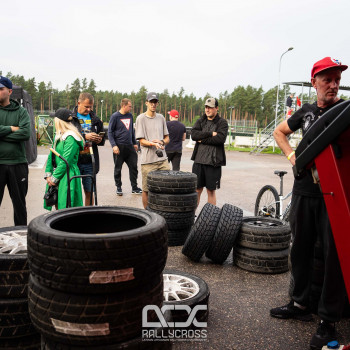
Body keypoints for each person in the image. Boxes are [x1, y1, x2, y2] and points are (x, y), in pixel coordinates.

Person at [271, 57, 348, 350]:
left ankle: (328, 321)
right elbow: (279, 133)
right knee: (300, 250)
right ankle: (300, 305)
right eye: (327, 79)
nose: (333, 85)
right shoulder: (304, 112)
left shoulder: (345, 112)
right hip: (304, 191)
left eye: (337, 79)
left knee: (334, 258)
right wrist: (293, 158)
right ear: (314, 81)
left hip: (335, 196)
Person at [0, 76, 30, 225]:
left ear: (10, 91)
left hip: (18, 164)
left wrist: (2, 134)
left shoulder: (21, 112)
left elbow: (25, 133)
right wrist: (11, 128)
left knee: (19, 205)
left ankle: (21, 236)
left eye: (1, 89)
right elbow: (19, 132)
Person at [44, 108, 84, 210]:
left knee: (66, 205)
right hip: (58, 173)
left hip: (68, 174)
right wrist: (48, 174)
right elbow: (51, 155)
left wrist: (54, 178)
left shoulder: (71, 137)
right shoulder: (59, 135)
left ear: (59, 121)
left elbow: (66, 161)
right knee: (56, 202)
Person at [191, 97, 228, 206]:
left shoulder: (222, 123)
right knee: (197, 190)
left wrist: (202, 139)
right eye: (206, 107)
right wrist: (210, 133)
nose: (207, 110)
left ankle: (210, 218)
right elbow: (193, 135)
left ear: (216, 108)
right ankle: (192, 217)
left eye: (210, 107)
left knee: (211, 191)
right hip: (198, 161)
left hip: (213, 163)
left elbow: (220, 139)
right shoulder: (200, 121)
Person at [135, 92, 170, 208]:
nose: (153, 104)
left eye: (155, 102)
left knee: (166, 187)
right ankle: (147, 213)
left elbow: (167, 138)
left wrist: (162, 142)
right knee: (146, 189)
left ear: (157, 103)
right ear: (146, 103)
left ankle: (163, 211)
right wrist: (152, 143)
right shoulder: (141, 118)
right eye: (151, 102)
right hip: (148, 161)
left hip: (163, 160)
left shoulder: (161, 118)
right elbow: (141, 140)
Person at [72, 93, 105, 206]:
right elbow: (66, 136)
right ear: (79, 103)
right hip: (74, 161)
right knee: (73, 193)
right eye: (86, 106)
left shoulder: (96, 119)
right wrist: (84, 137)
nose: (89, 109)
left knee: (89, 192)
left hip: (90, 161)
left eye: (91, 107)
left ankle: (88, 217)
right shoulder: (70, 118)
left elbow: (103, 139)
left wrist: (99, 139)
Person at [108, 98, 142, 196]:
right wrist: (114, 146)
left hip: (130, 147)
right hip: (119, 147)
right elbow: (110, 132)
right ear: (124, 106)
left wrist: (134, 143)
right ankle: (118, 187)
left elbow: (131, 130)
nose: (131, 108)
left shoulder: (130, 116)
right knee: (118, 168)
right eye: (130, 106)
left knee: (134, 167)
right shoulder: (115, 116)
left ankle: (134, 187)